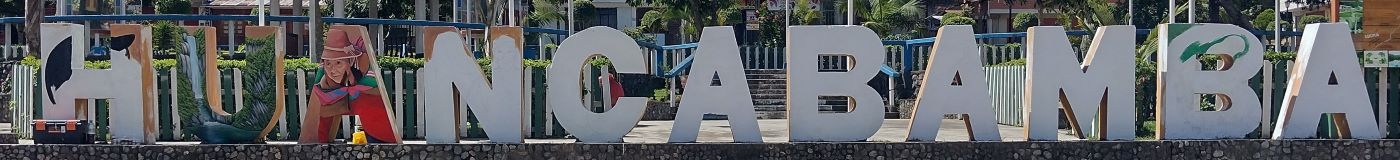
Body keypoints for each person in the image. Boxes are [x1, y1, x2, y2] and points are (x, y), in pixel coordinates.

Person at [298, 29, 398, 144]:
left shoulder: (365, 79)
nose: (333, 70)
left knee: (370, 105)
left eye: (338, 63)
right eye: (328, 64)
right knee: (322, 117)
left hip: (377, 131)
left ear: (349, 62)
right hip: (321, 132)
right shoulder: (322, 86)